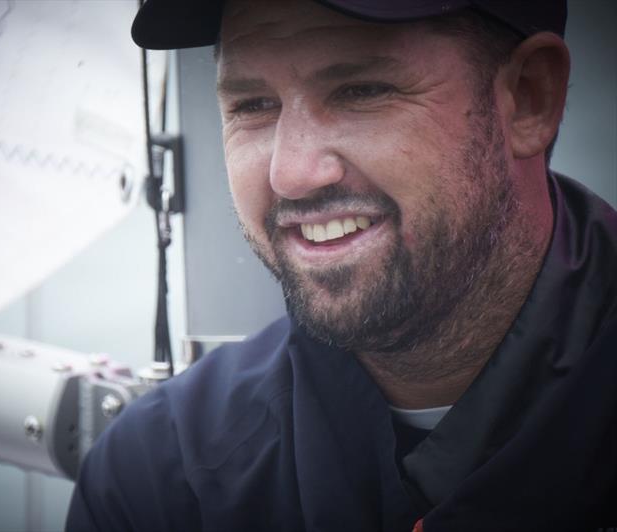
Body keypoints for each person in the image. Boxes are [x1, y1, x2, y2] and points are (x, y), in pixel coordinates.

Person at [67, 1, 617, 530]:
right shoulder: (164, 477)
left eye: (361, 91)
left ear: (529, 98)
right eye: (253, 104)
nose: (292, 173)